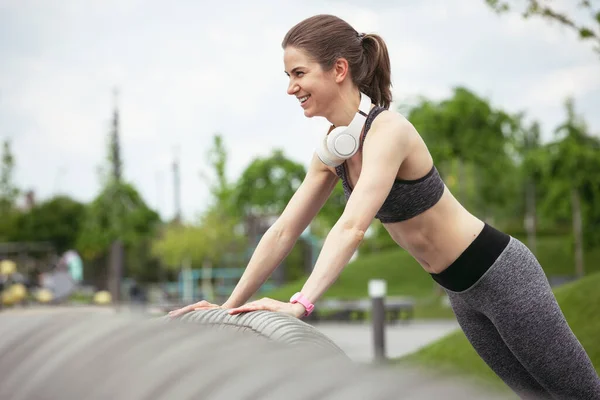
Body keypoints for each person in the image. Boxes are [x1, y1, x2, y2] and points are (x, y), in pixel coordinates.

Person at [169, 14, 600, 399]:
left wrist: (301, 304)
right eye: (287, 75)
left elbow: (352, 226)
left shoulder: (388, 131)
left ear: (339, 69)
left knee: (580, 392)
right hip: (461, 292)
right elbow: (284, 229)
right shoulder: (331, 152)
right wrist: (228, 308)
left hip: (501, 275)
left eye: (299, 73)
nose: (290, 87)